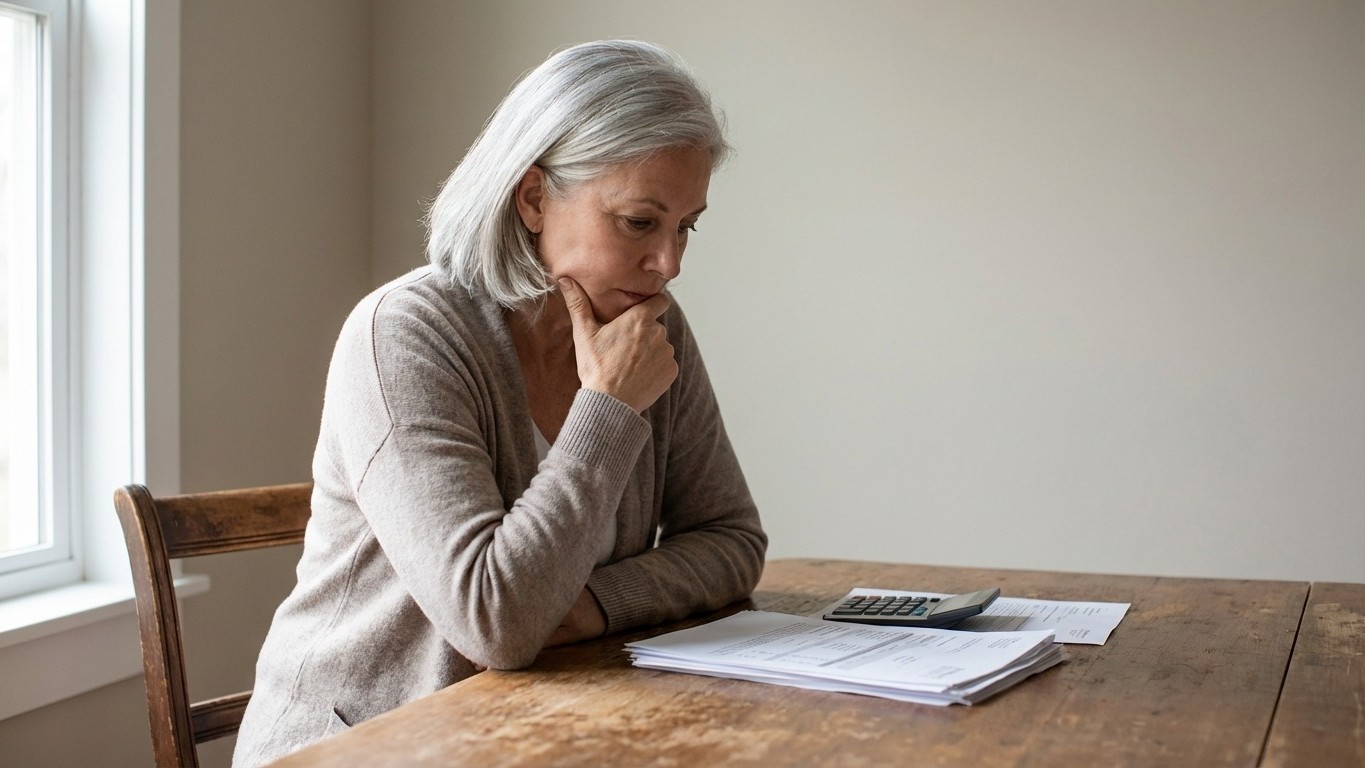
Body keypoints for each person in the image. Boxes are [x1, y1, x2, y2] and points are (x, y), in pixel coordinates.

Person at [233, 40, 767, 765]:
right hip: (365, 745)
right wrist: (607, 409)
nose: (668, 263)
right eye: (640, 222)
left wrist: (579, 609)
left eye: (686, 226)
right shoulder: (404, 334)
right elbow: (496, 623)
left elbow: (731, 540)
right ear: (533, 197)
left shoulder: (647, 329)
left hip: (546, 732)